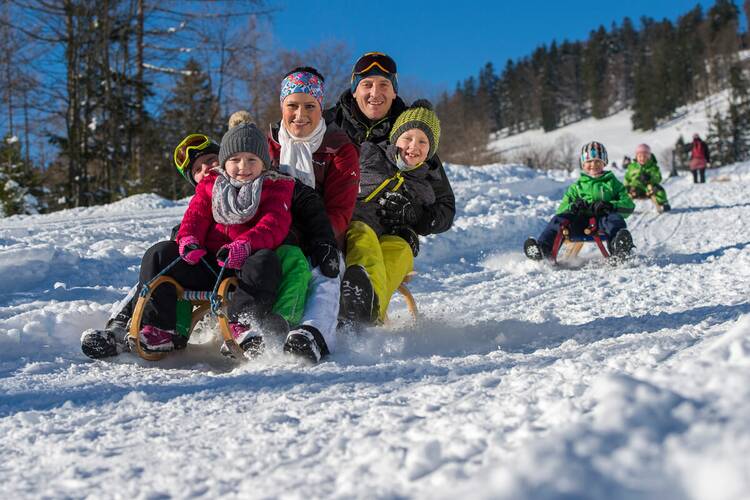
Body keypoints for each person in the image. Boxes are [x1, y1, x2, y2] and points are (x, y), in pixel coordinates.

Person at [137, 122, 296, 355]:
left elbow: (274, 224)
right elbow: (195, 216)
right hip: (206, 263)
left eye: (252, 160)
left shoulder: (275, 186)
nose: (243, 167)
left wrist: (246, 244)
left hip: (244, 266)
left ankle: (242, 324)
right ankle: (162, 327)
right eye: (235, 160)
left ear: (264, 163)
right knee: (159, 253)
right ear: (224, 163)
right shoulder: (211, 185)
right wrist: (188, 239)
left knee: (265, 262)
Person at [80, 134, 221, 359]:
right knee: (157, 259)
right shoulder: (198, 204)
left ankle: (136, 326)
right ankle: (126, 327)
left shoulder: (245, 187)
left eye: (212, 159)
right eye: (197, 169)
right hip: (201, 268)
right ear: (194, 181)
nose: (207, 168)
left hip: (233, 266)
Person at [267, 67, 361, 361]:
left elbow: (341, 210)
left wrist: (315, 239)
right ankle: (258, 328)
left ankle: (314, 332)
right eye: (292, 106)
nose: (300, 114)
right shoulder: (267, 145)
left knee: (325, 270)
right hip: (277, 233)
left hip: (325, 234)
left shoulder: (339, 149)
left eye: (310, 106)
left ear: (321, 108)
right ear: (282, 106)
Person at [342, 100, 441, 325]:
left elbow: (421, 220)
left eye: (423, 141)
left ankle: (368, 311)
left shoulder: (424, 188)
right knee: (365, 240)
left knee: (401, 251)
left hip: (389, 234)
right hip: (357, 222)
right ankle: (366, 304)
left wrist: (411, 223)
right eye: (407, 138)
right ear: (395, 138)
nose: (413, 146)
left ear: (430, 151)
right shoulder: (369, 154)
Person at [524, 141, 636, 261]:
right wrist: (573, 207)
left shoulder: (613, 184)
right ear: (583, 164)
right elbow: (561, 209)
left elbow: (628, 206)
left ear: (604, 162)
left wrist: (609, 205)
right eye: (589, 161)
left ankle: (619, 247)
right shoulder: (576, 187)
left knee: (614, 219)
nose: (593, 164)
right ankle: (543, 249)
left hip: (603, 221)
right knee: (559, 220)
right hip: (580, 222)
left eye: (598, 161)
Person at [624, 144, 671, 212]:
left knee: (659, 190)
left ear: (649, 157)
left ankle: (663, 203)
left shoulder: (653, 167)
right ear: (636, 157)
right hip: (635, 188)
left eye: (645, 156)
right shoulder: (632, 167)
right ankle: (623, 206)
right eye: (640, 156)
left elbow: (658, 177)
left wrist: (650, 178)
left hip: (649, 188)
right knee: (624, 191)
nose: (642, 158)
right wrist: (627, 186)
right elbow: (627, 177)